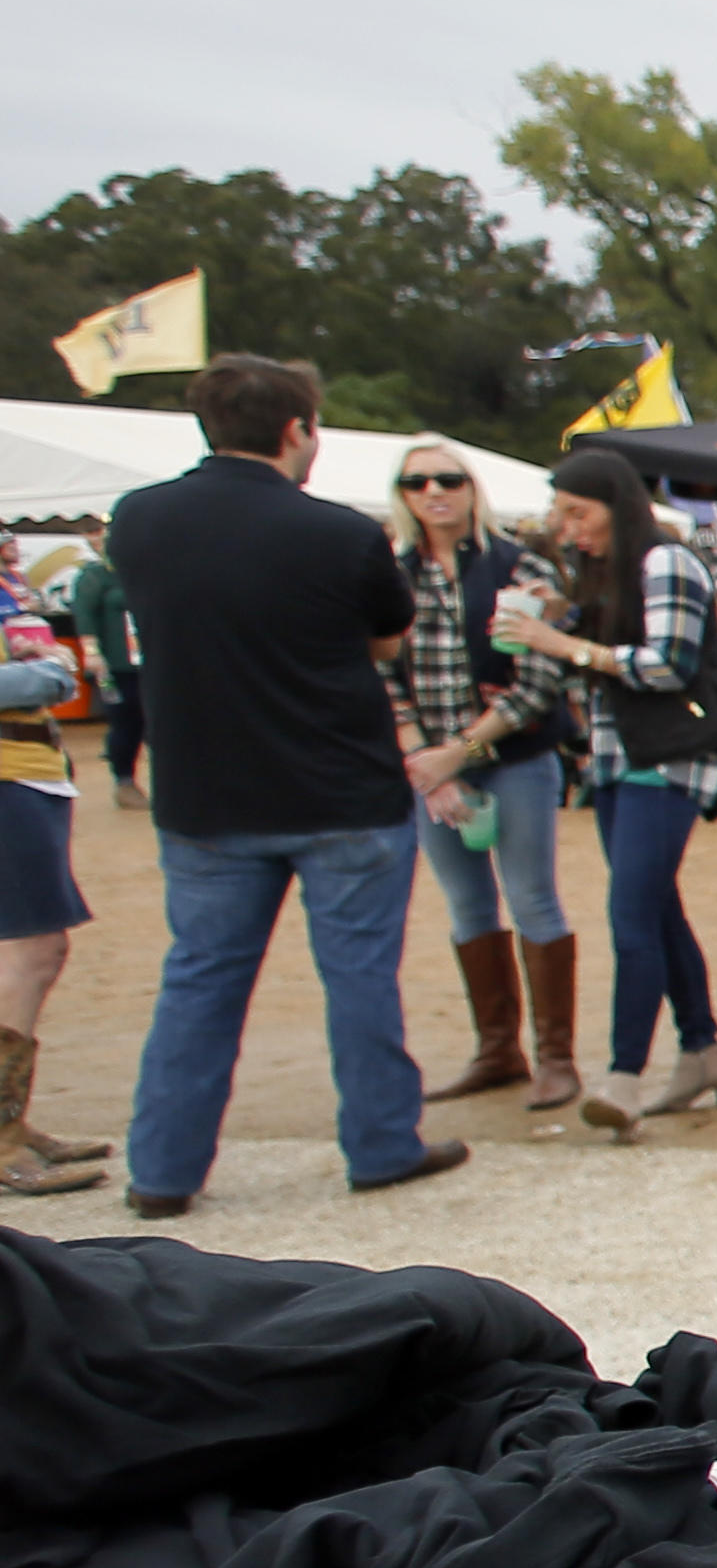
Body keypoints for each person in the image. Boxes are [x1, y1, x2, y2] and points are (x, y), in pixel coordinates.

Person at [107, 355, 468, 1215]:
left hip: (205, 793)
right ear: (296, 429)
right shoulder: (340, 534)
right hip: (340, 789)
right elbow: (388, 640)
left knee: (199, 980)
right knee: (359, 979)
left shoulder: (139, 521)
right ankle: (381, 1143)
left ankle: (163, 1169)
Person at [499, 450, 717, 1135]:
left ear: (618, 504)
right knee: (657, 911)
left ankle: (624, 1076)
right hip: (617, 762)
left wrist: (561, 642)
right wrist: (564, 620)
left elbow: (668, 664)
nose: (569, 528)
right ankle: (703, 1050)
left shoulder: (665, 562)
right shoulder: (604, 573)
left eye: (579, 513)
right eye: (562, 515)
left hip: (666, 762)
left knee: (631, 915)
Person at [382, 437, 581, 1110]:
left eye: (448, 479)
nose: (434, 492)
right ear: (403, 495)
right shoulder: (391, 574)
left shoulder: (517, 567)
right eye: (417, 483)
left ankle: (556, 1056)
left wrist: (458, 752)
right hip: (428, 769)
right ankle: (498, 1048)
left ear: (472, 488)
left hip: (511, 758)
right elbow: (379, 673)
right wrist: (423, 762)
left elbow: (539, 678)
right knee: (467, 905)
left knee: (532, 898)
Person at [0, 604, 111, 1192]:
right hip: (8, 775)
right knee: (33, 949)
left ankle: (13, 1121)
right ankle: (3, 1132)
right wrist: (49, 674)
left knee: (28, 950)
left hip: (29, 772)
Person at [67, 542, 144, 812]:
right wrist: (91, 652)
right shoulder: (96, 575)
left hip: (152, 662)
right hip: (117, 664)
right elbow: (84, 614)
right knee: (126, 722)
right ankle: (124, 781)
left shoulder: (144, 570)